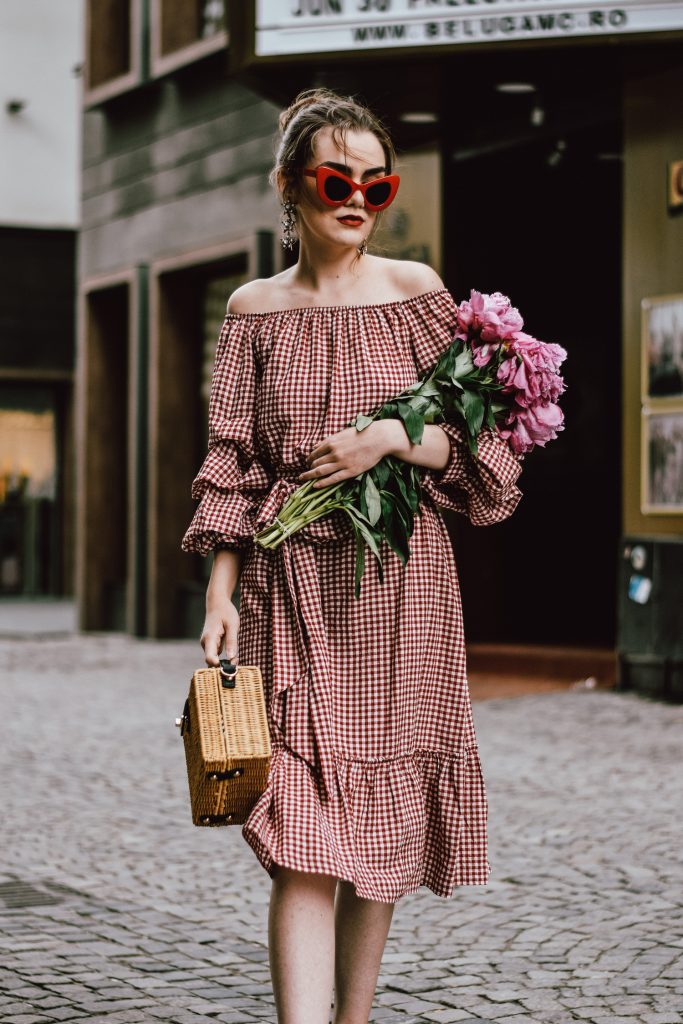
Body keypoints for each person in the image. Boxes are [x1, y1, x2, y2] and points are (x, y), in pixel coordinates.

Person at [181, 88, 524, 1024]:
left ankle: (353, 1017)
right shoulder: (254, 310)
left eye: (377, 183)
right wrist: (221, 589)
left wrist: (390, 439)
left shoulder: (418, 295)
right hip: (290, 588)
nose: (357, 199)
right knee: (296, 827)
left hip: (401, 583)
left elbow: (481, 450)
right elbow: (234, 463)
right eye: (337, 179)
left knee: (379, 811)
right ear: (290, 188)